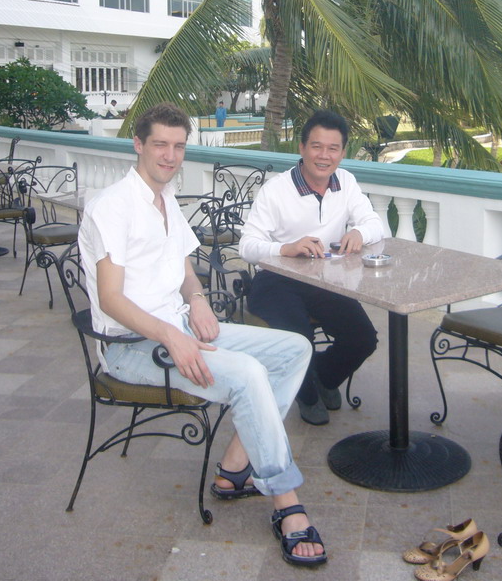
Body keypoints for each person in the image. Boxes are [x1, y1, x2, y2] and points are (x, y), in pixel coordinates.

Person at [78, 102, 326, 566]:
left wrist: (196, 303)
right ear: (138, 145)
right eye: (160, 145)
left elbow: (186, 271)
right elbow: (111, 300)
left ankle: (235, 467)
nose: (170, 156)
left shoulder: (166, 199)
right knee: (250, 374)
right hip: (134, 348)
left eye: (178, 146)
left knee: (294, 348)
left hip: (177, 329)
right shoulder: (111, 207)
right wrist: (173, 336)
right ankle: (287, 502)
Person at [240, 110, 383, 425]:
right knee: (299, 339)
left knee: (363, 338)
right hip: (276, 280)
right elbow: (247, 246)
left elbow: (374, 223)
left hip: (324, 280)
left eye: (333, 149)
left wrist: (359, 232)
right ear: (301, 148)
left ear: (343, 153)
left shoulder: (345, 181)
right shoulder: (276, 190)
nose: (324, 155)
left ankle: (323, 376)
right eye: (316, 147)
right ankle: (305, 395)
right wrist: (285, 248)